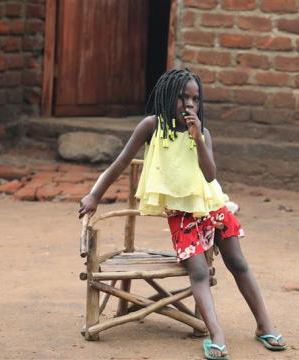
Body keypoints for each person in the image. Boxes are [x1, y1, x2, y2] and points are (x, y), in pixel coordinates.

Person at [79, 68, 286, 359]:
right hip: (183, 215)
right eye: (182, 97)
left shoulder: (202, 133)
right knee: (198, 271)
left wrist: (198, 137)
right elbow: (120, 163)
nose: (189, 104)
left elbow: (210, 174)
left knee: (238, 262)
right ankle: (216, 334)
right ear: (166, 97)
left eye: (195, 99)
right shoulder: (152, 126)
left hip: (213, 207)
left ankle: (264, 325)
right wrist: (94, 195)